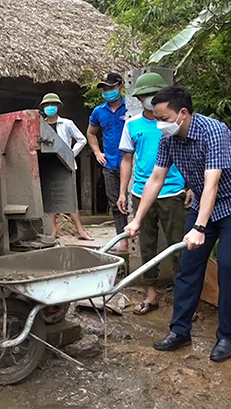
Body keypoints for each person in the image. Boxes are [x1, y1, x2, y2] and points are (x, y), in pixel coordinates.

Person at [125, 86, 231, 362]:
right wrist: (136, 220)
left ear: (182, 114)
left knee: (227, 265)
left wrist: (199, 228)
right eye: (156, 117)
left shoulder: (214, 132)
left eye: (163, 117)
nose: (159, 123)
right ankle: (180, 331)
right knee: (188, 267)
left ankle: (227, 336)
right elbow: (156, 179)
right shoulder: (168, 138)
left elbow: (212, 184)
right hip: (204, 205)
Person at [117, 73, 189, 315]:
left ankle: (184, 299)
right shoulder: (132, 124)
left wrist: (190, 186)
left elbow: (192, 155)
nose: (149, 99)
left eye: (153, 95)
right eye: (145, 96)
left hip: (173, 191)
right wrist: (123, 192)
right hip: (141, 192)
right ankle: (151, 295)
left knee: (179, 245)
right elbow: (127, 159)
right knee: (147, 246)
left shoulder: (173, 122)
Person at [39, 93, 92, 240]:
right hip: (48, 164)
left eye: (53, 105)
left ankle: (80, 231)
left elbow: (81, 139)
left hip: (66, 164)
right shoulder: (40, 125)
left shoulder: (67, 123)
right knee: (50, 199)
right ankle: (53, 231)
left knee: (70, 198)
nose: (50, 108)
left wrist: (71, 154)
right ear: (43, 108)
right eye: (47, 105)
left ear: (58, 107)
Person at [86, 72, 128, 251]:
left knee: (132, 201)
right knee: (115, 204)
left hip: (131, 162)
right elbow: (91, 133)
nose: (107, 91)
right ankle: (122, 239)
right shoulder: (98, 112)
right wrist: (97, 153)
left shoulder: (131, 107)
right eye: (104, 88)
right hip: (110, 163)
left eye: (110, 87)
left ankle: (136, 236)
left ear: (120, 86)